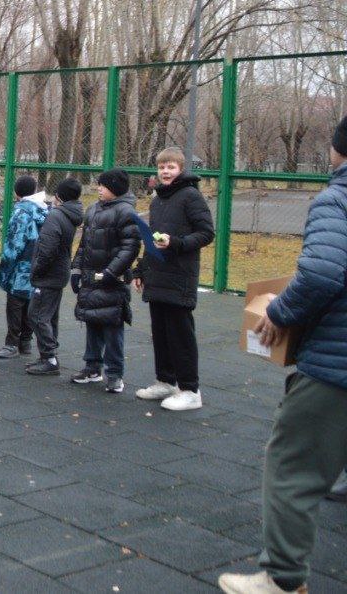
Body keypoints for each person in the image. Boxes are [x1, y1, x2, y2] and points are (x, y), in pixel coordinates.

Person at [218, 115, 347, 594]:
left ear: (337, 148)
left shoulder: (337, 198)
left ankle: (283, 579)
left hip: (336, 365)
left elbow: (322, 273)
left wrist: (281, 313)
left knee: (293, 466)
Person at [130, 147, 215, 411]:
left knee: (180, 334)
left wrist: (176, 243)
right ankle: (165, 381)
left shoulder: (191, 196)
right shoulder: (157, 200)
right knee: (161, 332)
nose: (165, 171)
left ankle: (190, 390)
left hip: (179, 275)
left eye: (171, 167)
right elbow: (151, 238)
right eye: (162, 167)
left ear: (181, 169)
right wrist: (141, 270)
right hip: (158, 275)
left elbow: (206, 233)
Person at [69, 169, 140, 394]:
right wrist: (77, 268)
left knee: (111, 325)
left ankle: (114, 374)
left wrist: (111, 272)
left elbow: (130, 248)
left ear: (115, 188)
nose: (98, 188)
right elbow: (84, 244)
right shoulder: (93, 209)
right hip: (91, 278)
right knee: (92, 321)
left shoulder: (126, 212)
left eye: (103, 185)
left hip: (112, 280)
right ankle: (92, 367)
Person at [24, 178, 84, 376]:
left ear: (59, 196)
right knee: (50, 315)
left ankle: (49, 357)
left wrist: (37, 270)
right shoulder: (70, 214)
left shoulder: (56, 216)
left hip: (49, 274)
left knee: (37, 315)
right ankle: (48, 355)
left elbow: (47, 249)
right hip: (59, 271)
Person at [0, 176, 48, 359]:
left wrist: (5, 267)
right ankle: (25, 341)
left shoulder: (21, 213)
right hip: (37, 265)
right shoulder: (44, 210)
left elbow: (14, 243)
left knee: (15, 304)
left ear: (16, 193)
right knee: (29, 302)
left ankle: (11, 343)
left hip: (21, 267)